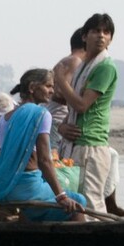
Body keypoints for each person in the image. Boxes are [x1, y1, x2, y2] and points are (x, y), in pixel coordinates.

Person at [0, 68, 86, 222]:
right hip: (28, 188)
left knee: (44, 200)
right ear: (32, 87)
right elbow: (44, 160)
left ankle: (26, 219)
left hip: (3, 189)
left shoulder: (4, 119)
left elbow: (0, 158)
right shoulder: (41, 114)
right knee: (78, 199)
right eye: (48, 86)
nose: (52, 91)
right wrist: (61, 197)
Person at [54, 13, 118, 217]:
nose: (101, 36)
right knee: (76, 198)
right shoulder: (83, 66)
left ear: (110, 39)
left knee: (91, 202)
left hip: (91, 144)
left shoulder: (105, 67)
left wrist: (60, 80)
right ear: (84, 36)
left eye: (106, 32)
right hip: (77, 142)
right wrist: (62, 127)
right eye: (96, 31)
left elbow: (82, 105)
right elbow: (73, 107)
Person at [48, 28, 87, 158]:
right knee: (57, 159)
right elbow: (60, 91)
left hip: (55, 116)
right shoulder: (76, 61)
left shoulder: (67, 60)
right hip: (58, 117)